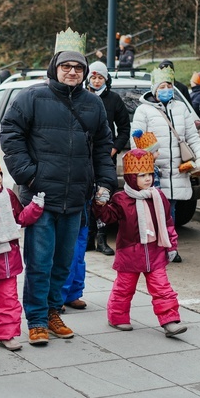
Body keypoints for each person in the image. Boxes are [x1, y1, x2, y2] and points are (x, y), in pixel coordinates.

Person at [0, 28, 117, 345]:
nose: (72, 72)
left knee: (64, 262)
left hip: (76, 198)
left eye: (78, 67)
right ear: (55, 67)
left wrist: (105, 183)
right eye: (66, 66)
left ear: (85, 72)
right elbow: (10, 135)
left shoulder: (93, 105)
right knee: (39, 262)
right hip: (40, 199)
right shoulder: (32, 97)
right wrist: (29, 174)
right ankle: (36, 319)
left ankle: (53, 311)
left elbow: (102, 147)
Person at [93, 149, 187, 338]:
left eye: (150, 174)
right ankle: (117, 317)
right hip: (129, 252)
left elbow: (168, 222)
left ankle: (170, 321)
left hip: (155, 251)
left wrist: (171, 246)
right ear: (130, 177)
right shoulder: (120, 199)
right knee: (124, 288)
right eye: (142, 175)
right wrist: (99, 205)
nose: (147, 179)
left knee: (162, 287)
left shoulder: (158, 197)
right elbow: (109, 217)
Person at [130, 66, 200, 262]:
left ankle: (170, 248)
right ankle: (155, 249)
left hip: (177, 171)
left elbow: (192, 137)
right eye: (162, 86)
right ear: (155, 89)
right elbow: (136, 142)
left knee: (169, 212)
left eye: (169, 86)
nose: (166, 89)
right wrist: (148, 159)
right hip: (155, 172)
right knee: (154, 212)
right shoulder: (143, 110)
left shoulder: (181, 108)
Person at [0, 152, 44, 351]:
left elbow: (20, 218)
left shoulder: (9, 196)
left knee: (8, 300)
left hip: (9, 261)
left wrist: (35, 207)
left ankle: (6, 333)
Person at [79, 60, 130, 260]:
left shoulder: (114, 99)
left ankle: (102, 237)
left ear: (106, 79)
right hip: (84, 155)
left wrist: (114, 147)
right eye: (93, 77)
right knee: (87, 194)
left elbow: (124, 128)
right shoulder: (82, 97)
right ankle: (89, 237)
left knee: (103, 194)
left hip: (105, 155)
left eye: (101, 77)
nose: (97, 80)